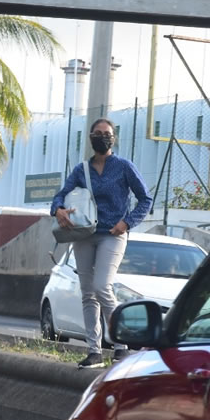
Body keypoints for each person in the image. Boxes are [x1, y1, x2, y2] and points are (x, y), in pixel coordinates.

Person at [51, 119, 153, 368]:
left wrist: (126, 223)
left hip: (112, 234)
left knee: (102, 286)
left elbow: (145, 199)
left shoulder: (124, 166)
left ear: (114, 138)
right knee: (88, 292)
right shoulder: (81, 170)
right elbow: (60, 195)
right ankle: (94, 351)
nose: (102, 137)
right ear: (90, 137)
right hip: (84, 234)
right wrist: (58, 209)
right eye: (98, 133)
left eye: (106, 133)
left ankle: (121, 345)